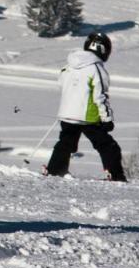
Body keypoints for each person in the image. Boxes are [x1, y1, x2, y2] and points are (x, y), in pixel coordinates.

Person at [44, 32, 126, 181]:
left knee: (66, 143)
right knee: (108, 145)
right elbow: (100, 96)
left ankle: (55, 171)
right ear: (103, 50)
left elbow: (62, 83)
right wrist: (107, 119)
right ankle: (115, 175)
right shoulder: (96, 69)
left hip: (67, 113)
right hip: (88, 117)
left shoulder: (68, 66)